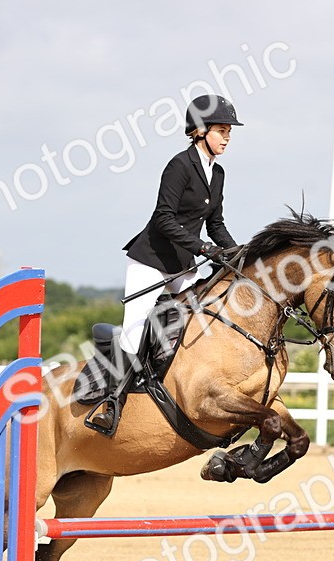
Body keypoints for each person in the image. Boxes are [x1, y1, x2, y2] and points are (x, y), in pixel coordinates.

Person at [88, 94, 243, 431]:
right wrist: (204, 248)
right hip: (151, 260)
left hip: (181, 264)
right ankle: (110, 404)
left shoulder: (217, 174)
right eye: (221, 130)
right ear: (200, 130)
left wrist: (237, 254)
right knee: (134, 328)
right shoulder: (180, 165)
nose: (227, 137)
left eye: (229, 131)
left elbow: (215, 223)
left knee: (204, 318)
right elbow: (163, 219)